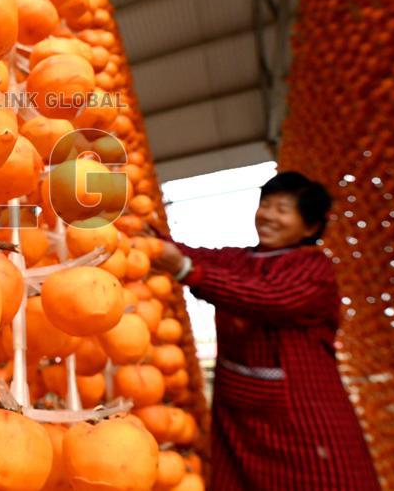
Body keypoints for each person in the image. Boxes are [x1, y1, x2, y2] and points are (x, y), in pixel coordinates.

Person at [153, 171, 380, 490]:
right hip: (237, 410)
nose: (269, 215)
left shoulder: (315, 268)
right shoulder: (242, 258)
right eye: (266, 205)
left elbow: (268, 297)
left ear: (310, 226)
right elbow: (194, 253)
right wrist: (148, 237)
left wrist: (187, 271)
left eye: (283, 209)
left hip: (303, 415)